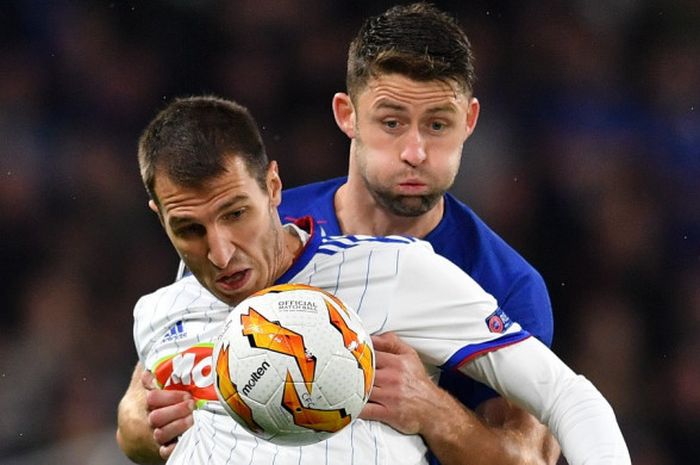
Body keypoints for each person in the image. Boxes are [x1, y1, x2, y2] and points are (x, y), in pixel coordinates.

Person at [118, 3, 555, 464]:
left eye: (437, 125)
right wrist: (139, 425)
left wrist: (431, 410)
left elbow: (531, 458)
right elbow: (150, 384)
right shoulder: (250, 223)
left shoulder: (505, 281)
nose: (414, 151)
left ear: (468, 122)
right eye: (391, 122)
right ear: (347, 115)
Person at [128, 93, 629, 465]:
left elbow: (568, 398)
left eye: (236, 213)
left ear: (274, 187)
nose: (219, 252)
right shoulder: (159, 313)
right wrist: (136, 430)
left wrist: (433, 410)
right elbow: (138, 424)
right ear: (160, 218)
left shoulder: (394, 270)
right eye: (189, 229)